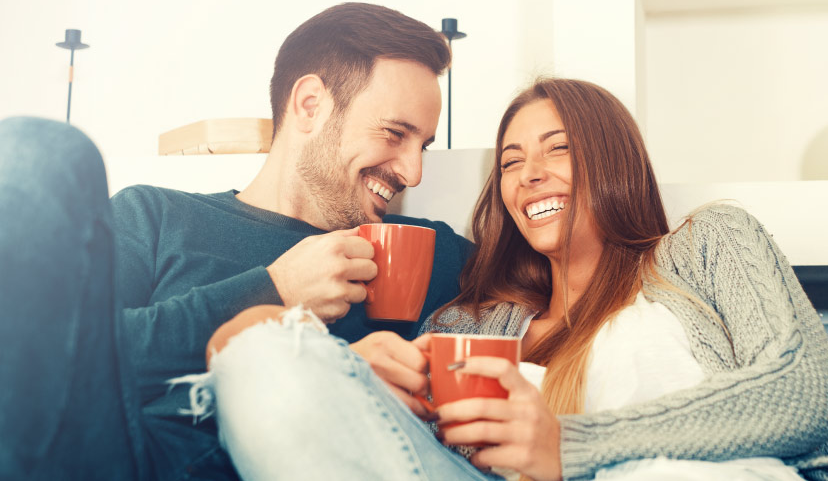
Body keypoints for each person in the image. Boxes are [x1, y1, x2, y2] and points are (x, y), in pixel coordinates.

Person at [0, 3, 473, 480]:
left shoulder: (422, 251)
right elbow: (51, 356)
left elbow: (552, 288)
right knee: (32, 150)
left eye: (423, 144)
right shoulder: (156, 216)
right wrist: (271, 290)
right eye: (395, 134)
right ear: (310, 105)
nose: (413, 171)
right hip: (117, 457)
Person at [198, 78, 828, 480]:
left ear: (613, 159)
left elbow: (810, 393)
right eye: (511, 162)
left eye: (558, 148)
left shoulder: (706, 245)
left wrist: (569, 445)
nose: (529, 175)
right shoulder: (472, 325)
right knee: (253, 349)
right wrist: (370, 379)